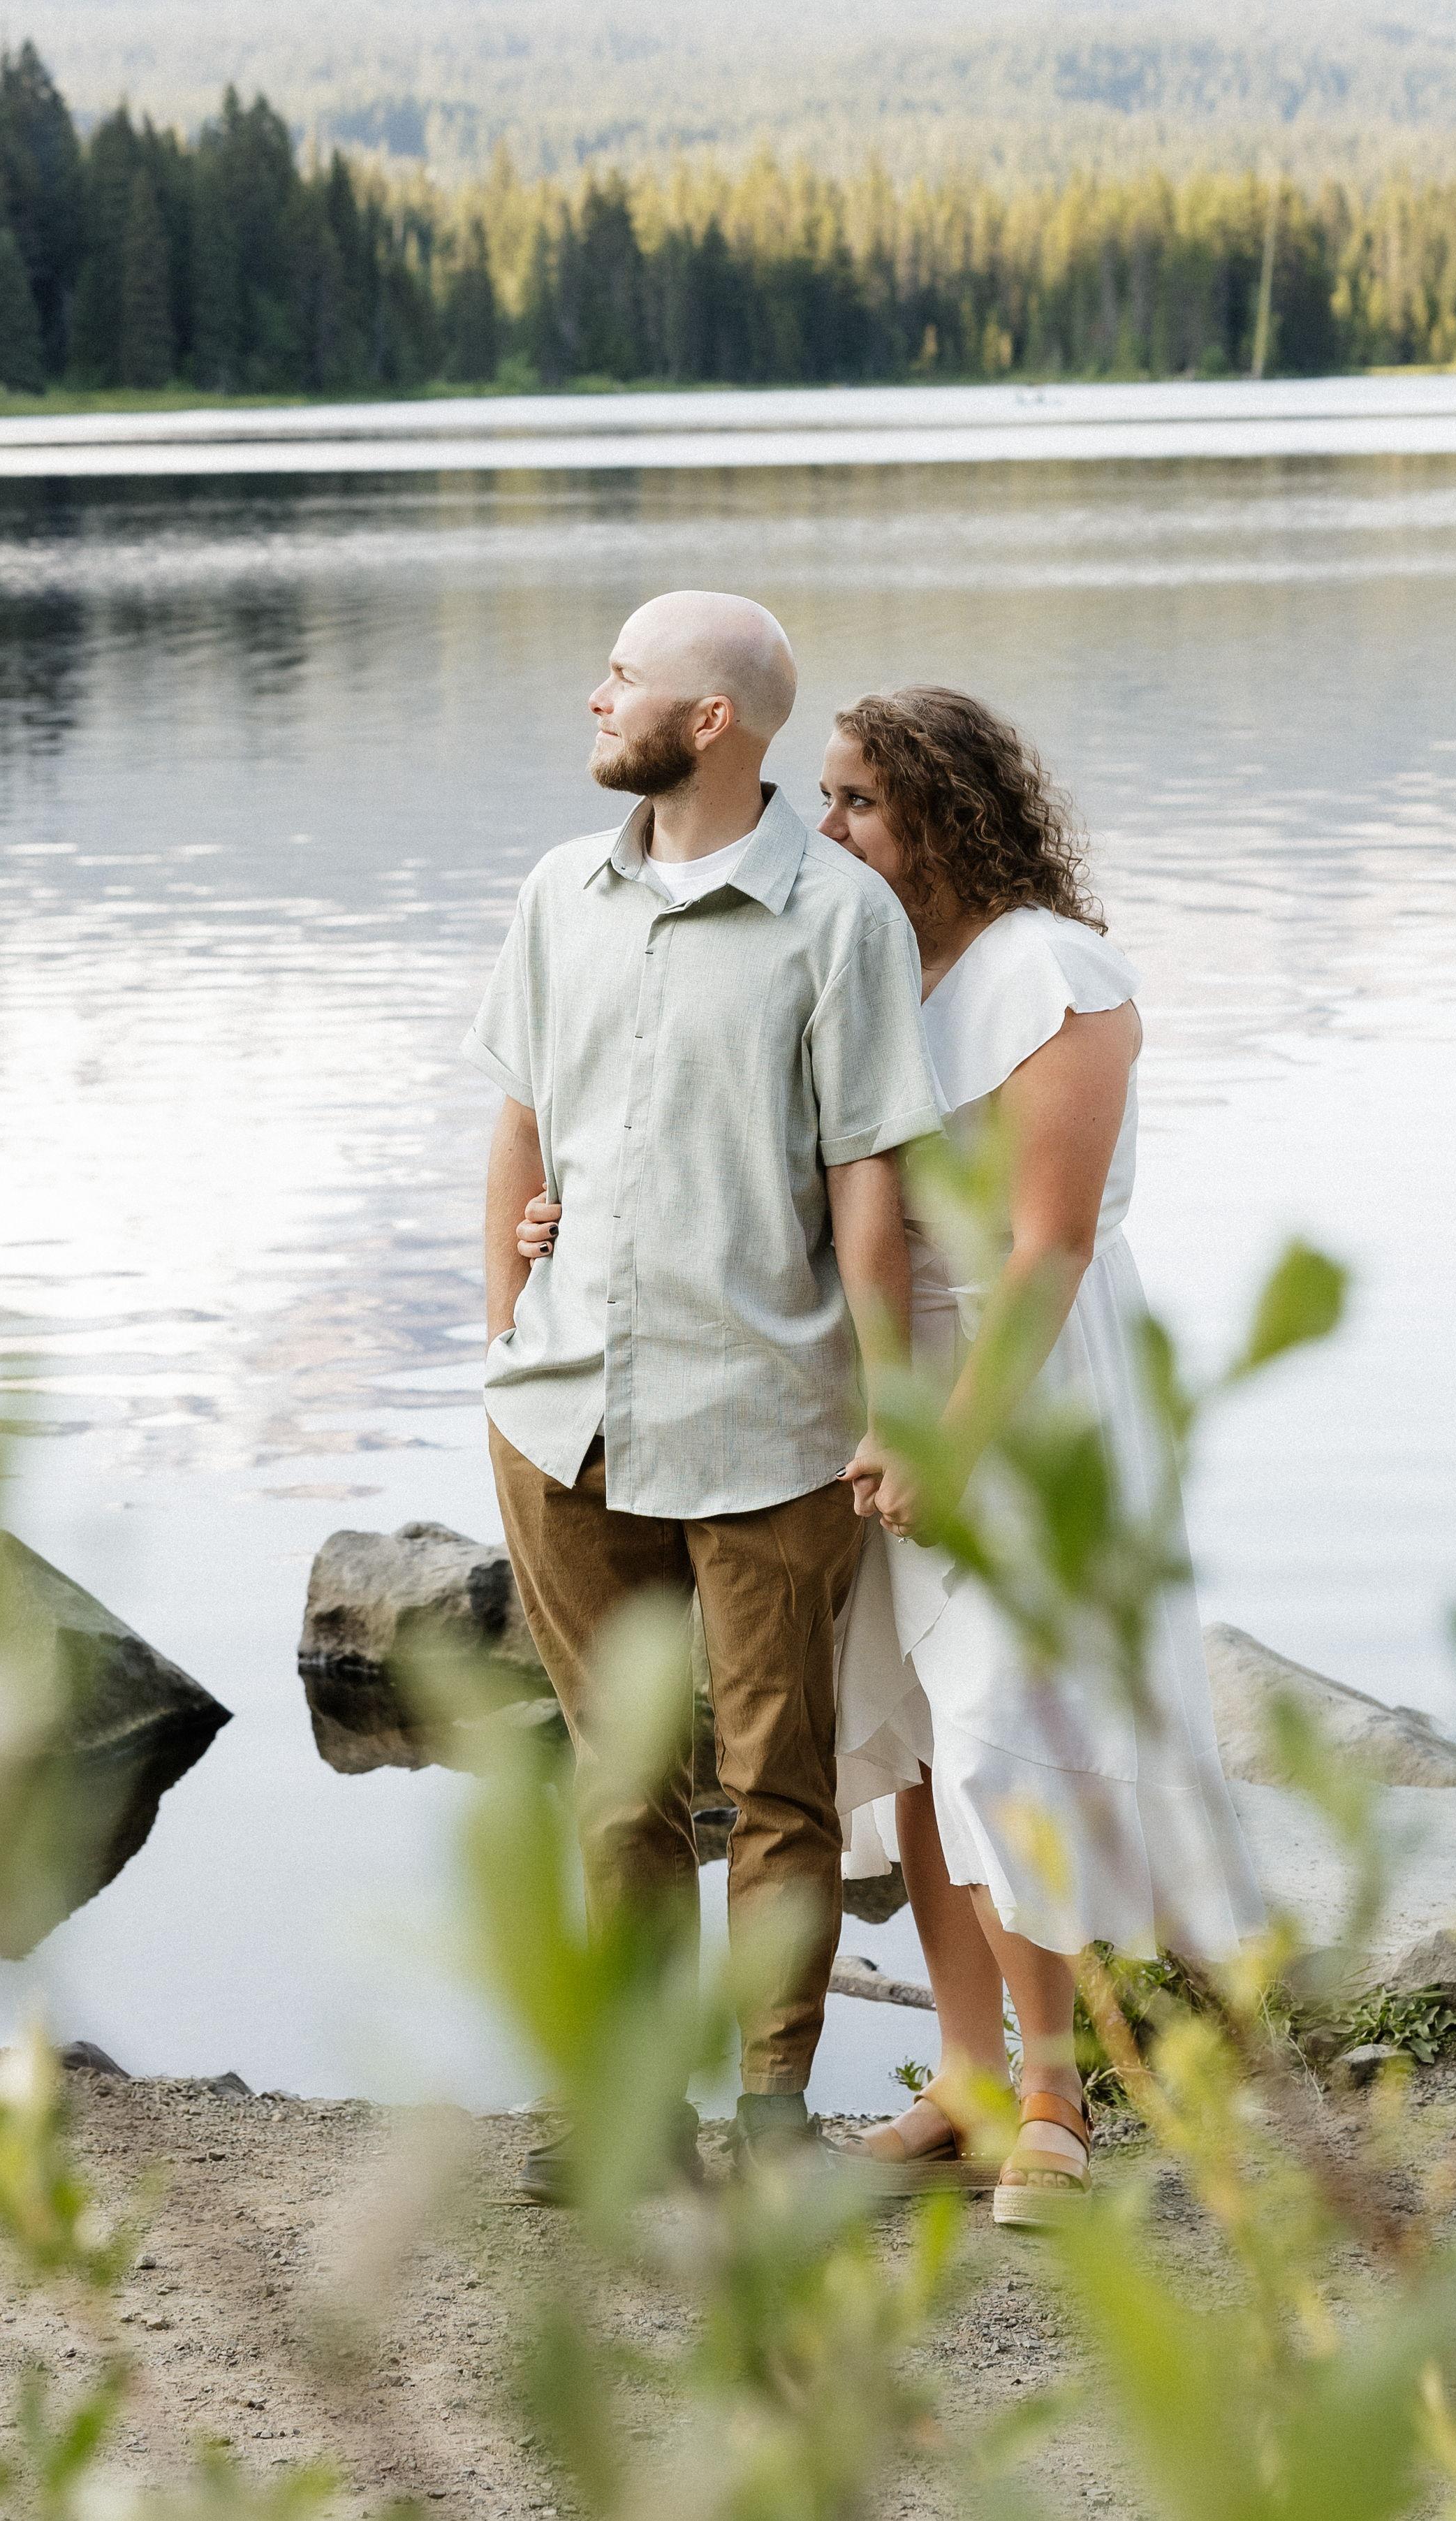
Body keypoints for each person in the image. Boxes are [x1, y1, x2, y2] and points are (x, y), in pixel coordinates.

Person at [534, 686, 1260, 2222]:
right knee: (915, 1746)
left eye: (860, 800)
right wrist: (563, 1218)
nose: (831, 825)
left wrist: (954, 1440)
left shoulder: (1051, 975)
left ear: (944, 812)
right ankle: (967, 2081)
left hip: (1016, 1388)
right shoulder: (862, 958)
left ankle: (1055, 2096)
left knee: (1001, 1730)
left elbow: (1050, 1245)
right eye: (828, 796)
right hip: (867, 1386)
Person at [468, 590, 940, 2185]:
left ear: (712, 719)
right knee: (619, 1790)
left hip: (767, 1422)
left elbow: (866, 1179)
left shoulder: (840, 921)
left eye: (623, 677)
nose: (595, 698)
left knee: (778, 1791)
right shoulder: (557, 892)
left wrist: (891, 1410)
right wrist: (505, 1331)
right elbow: (518, 1126)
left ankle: (774, 2120)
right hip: (564, 1421)